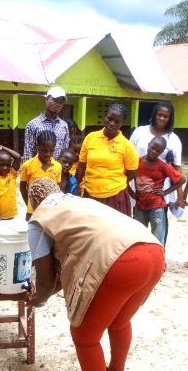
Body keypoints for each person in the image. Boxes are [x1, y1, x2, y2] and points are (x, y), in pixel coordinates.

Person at [27, 178, 165, 371]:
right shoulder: (78, 202)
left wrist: (38, 300)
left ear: (33, 202)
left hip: (122, 262)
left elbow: (46, 281)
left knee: (85, 336)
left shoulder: (39, 220)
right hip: (154, 252)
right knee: (119, 322)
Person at [130, 101, 184, 243]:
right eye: (159, 114)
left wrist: (180, 196)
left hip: (159, 194)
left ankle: (159, 259)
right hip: (138, 191)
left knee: (158, 230)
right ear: (154, 115)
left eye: (166, 116)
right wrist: (128, 189)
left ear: (170, 118)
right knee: (137, 228)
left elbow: (177, 168)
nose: (161, 118)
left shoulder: (174, 139)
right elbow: (128, 156)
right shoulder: (140, 132)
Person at [76, 104, 138, 216]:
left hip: (116, 196)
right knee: (91, 231)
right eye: (109, 119)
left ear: (122, 123)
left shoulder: (127, 146)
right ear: (105, 116)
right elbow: (81, 166)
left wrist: (113, 182)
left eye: (117, 121)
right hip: (90, 194)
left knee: (114, 232)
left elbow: (132, 172)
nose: (112, 123)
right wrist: (76, 186)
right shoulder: (90, 138)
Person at [20, 130, 62, 220]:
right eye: (44, 150)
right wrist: (30, 204)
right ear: (37, 147)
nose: (48, 154)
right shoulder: (28, 165)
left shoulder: (58, 166)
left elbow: (58, 187)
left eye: (51, 151)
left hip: (51, 210)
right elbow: (22, 187)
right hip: (33, 211)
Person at [23, 86, 69, 161]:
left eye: (60, 102)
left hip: (56, 170)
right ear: (46, 99)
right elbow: (28, 152)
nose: (58, 104)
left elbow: (64, 150)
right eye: (55, 100)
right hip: (38, 170)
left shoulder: (64, 125)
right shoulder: (33, 124)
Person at [0, 145, 21, 220]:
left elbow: (18, 157)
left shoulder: (11, 174)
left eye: (8, 165)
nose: (5, 167)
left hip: (10, 214)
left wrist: (2, 147)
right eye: (1, 165)